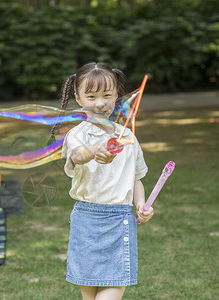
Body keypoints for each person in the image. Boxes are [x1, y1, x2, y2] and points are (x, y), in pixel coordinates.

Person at [59, 62, 154, 300]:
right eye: (91, 96)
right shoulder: (77, 134)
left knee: (112, 289)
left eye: (107, 95)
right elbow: (78, 156)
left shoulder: (128, 137)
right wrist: (95, 150)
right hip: (86, 220)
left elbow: (136, 178)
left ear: (116, 97)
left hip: (119, 219)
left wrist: (141, 204)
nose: (100, 103)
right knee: (88, 295)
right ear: (78, 98)